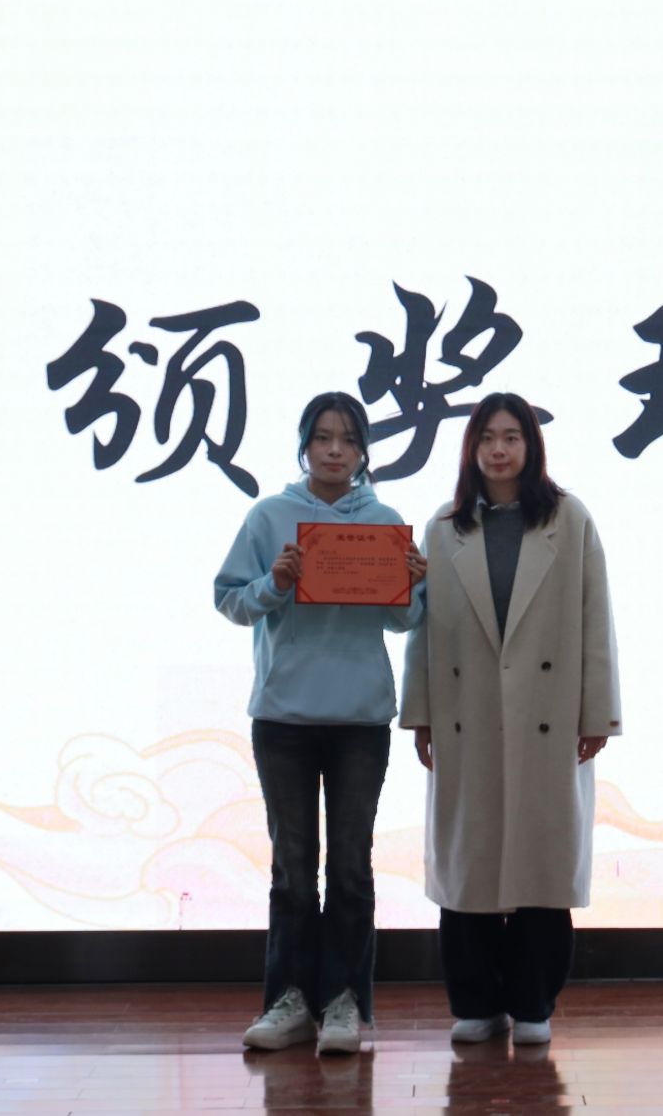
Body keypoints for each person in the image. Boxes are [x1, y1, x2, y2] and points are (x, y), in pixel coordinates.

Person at [400, 391, 622, 1047]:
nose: (499, 450)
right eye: (487, 438)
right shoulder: (444, 526)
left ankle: (533, 1003)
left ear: (531, 445)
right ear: (471, 447)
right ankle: (475, 1001)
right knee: (468, 865)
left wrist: (599, 713)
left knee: (541, 863)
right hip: (465, 715)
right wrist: (420, 714)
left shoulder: (569, 519)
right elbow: (423, 630)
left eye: (511, 437)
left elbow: (596, 620)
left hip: (547, 717)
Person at [215, 391, 427, 1057]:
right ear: (304, 445)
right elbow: (230, 600)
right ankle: (289, 1002)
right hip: (283, 719)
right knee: (292, 870)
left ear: (363, 451)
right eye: (323, 438)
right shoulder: (269, 515)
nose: (336, 451)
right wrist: (275, 583)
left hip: (360, 720)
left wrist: (413, 585)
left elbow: (403, 620)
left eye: (349, 439)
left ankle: (344, 1003)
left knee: (352, 869)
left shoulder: (385, 522)